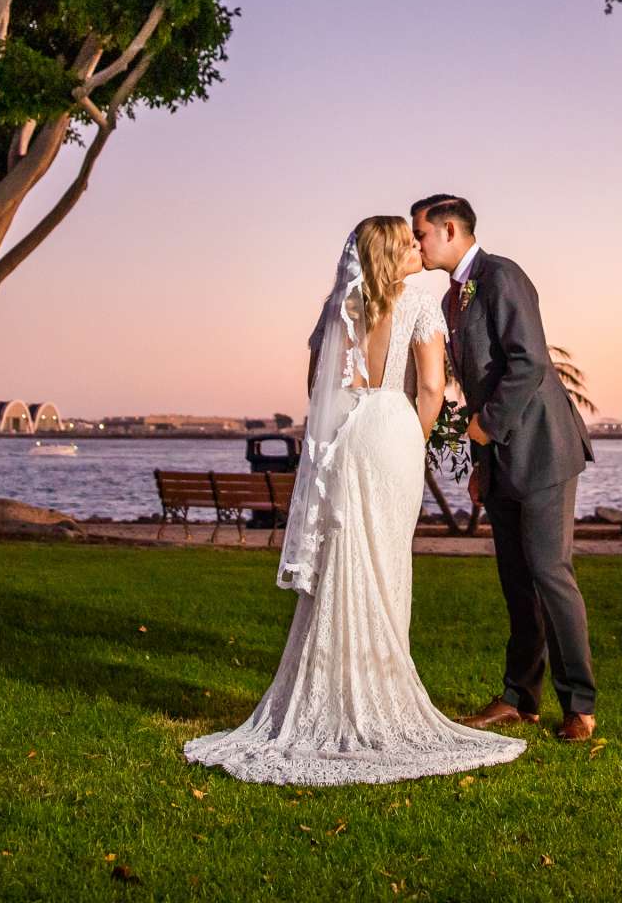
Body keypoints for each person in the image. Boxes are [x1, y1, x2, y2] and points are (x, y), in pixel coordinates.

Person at [182, 216, 530, 784]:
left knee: (343, 559)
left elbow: (317, 385)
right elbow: (433, 389)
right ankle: (378, 689)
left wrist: (347, 426)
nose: (418, 247)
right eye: (408, 242)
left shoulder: (337, 306)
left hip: (347, 436)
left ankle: (333, 691)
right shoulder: (419, 303)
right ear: (393, 252)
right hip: (392, 430)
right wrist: (411, 439)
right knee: (386, 561)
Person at [411, 194, 597, 742]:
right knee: (517, 582)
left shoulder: (502, 276)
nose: (417, 245)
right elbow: (475, 385)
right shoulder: (452, 300)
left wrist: (487, 427)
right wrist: (480, 462)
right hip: (500, 459)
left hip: (542, 449)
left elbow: (529, 362)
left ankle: (580, 706)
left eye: (421, 234)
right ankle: (520, 698)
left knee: (549, 574)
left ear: (449, 229)